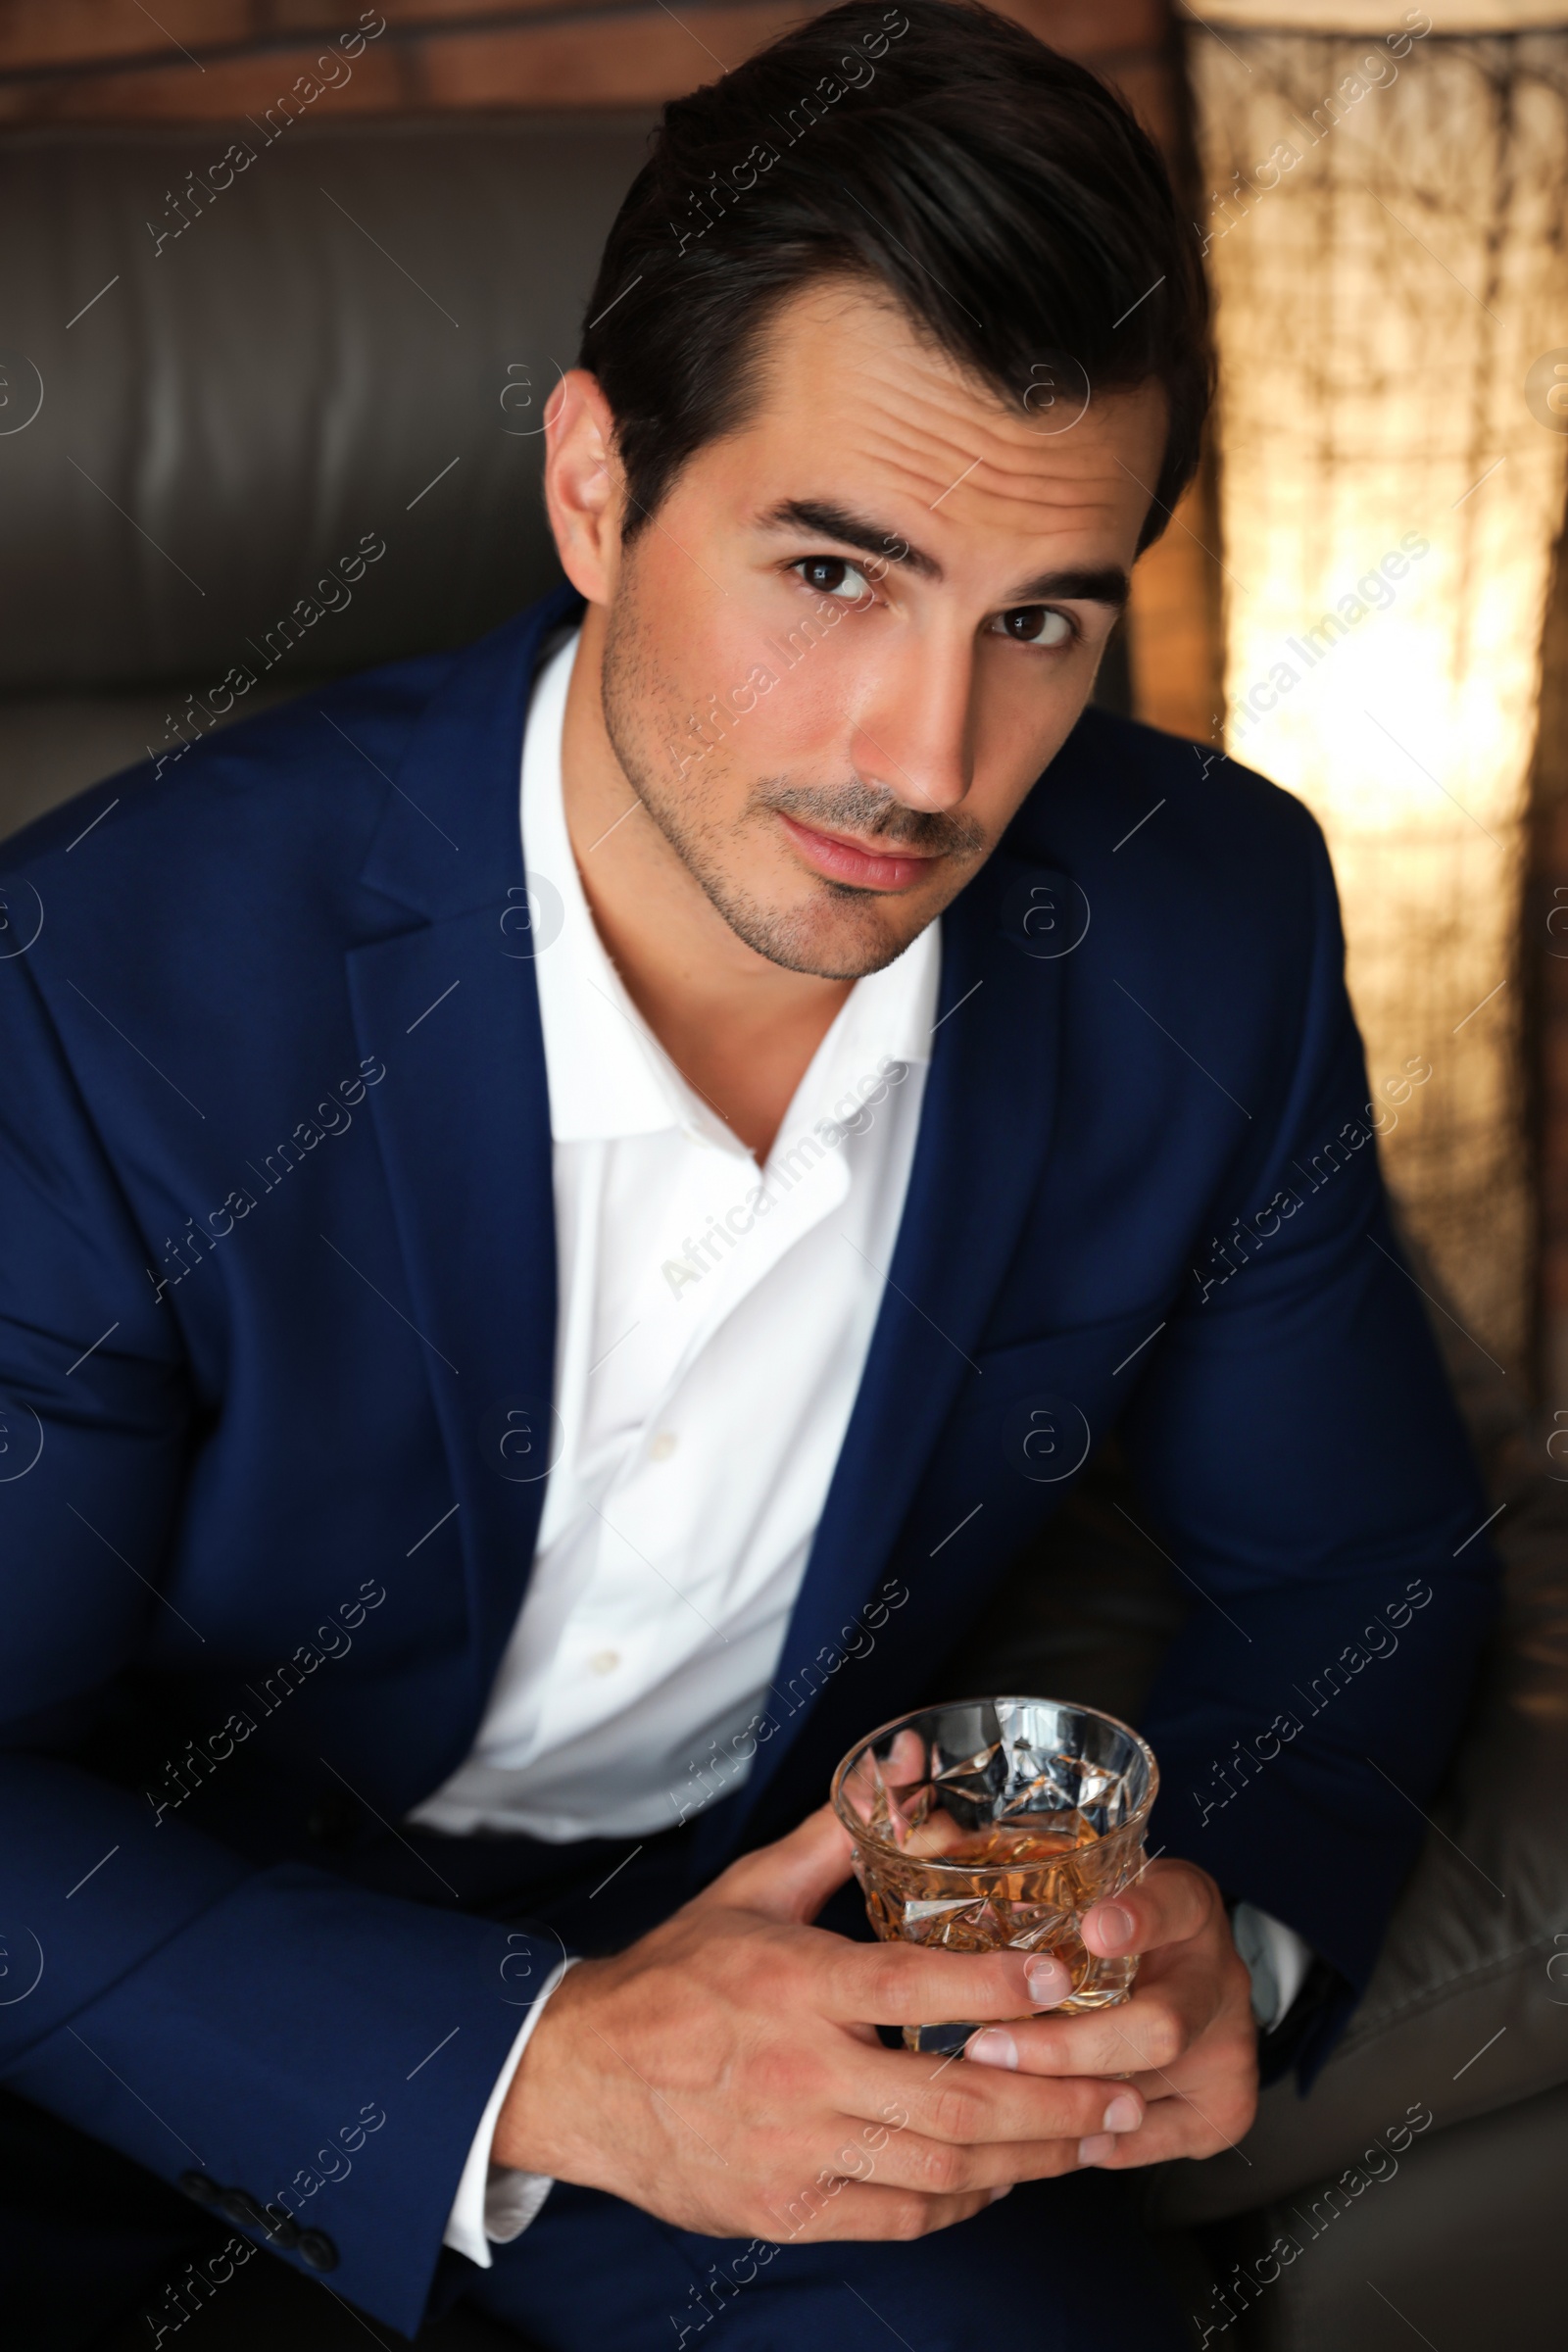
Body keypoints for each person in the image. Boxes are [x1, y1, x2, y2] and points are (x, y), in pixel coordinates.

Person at [0, 4, 1496, 2347]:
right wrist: (538, 2059)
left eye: (1039, 620)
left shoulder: (1200, 918)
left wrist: (1229, 1930)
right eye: (831, 575)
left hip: (790, 2006)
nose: (928, 759)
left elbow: (1361, 1569)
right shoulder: (113, 986)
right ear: (594, 489)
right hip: (145, 2021)